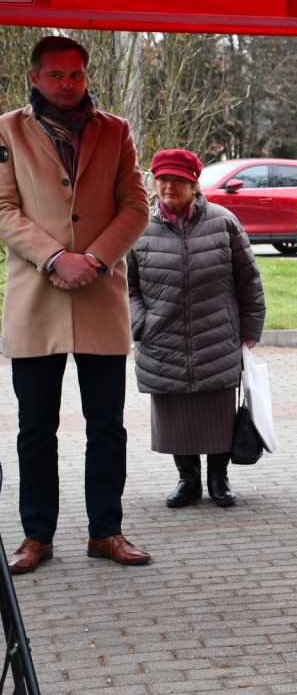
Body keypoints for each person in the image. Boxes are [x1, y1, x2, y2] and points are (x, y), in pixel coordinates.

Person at [0, 36, 152, 573]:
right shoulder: (8, 129)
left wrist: (95, 257)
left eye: (76, 75)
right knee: (35, 427)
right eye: (57, 75)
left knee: (106, 425)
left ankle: (105, 532)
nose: (68, 85)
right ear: (35, 78)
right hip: (36, 298)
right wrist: (54, 257)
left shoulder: (115, 131)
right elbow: (2, 207)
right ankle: (36, 536)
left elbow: (136, 204)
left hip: (98, 295)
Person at [127, 149, 266, 508]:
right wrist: (139, 322)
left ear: (194, 184)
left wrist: (250, 327)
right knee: (177, 413)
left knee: (218, 408)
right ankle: (187, 480)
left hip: (216, 334)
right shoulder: (137, 226)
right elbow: (124, 286)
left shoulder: (223, 222)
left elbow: (248, 280)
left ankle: (219, 479)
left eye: (177, 179)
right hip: (162, 336)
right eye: (162, 179)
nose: (168, 186)